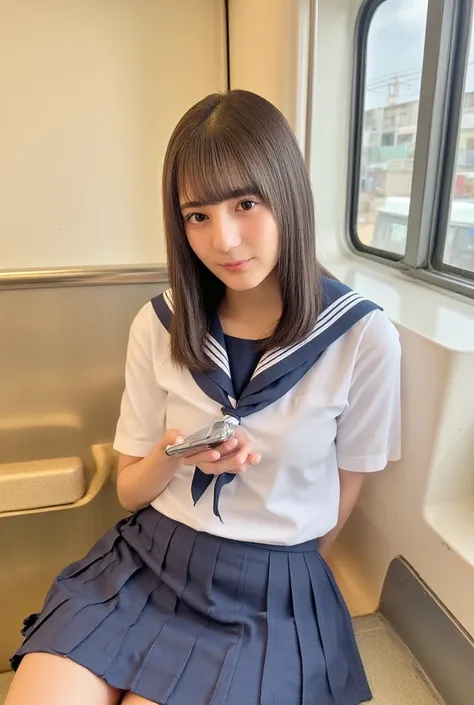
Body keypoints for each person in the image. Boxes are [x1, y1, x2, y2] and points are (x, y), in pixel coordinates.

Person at [6, 90, 401, 705]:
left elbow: (346, 491)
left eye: (246, 203)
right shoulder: (159, 324)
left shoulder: (361, 336)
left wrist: (280, 566)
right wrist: (171, 451)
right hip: (150, 562)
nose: (224, 239)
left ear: (288, 195)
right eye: (198, 215)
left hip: (272, 587)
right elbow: (131, 491)